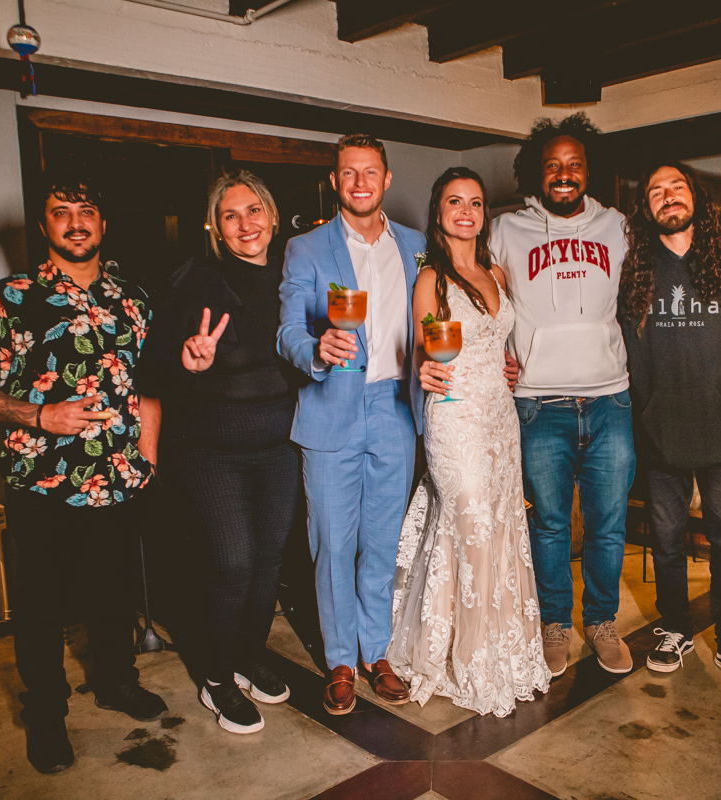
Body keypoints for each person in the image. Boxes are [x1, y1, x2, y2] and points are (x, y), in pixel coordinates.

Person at [490, 114, 721, 677]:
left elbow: (687, 244)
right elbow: (479, 295)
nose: (564, 173)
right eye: (552, 165)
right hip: (538, 402)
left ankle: (601, 622)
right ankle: (554, 624)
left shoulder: (619, 227)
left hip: (610, 401)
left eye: (575, 164)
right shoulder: (504, 230)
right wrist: (494, 353)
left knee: (609, 525)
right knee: (549, 525)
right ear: (536, 173)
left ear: (589, 171)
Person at [0, 171, 165, 774]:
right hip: (43, 480)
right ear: (43, 224)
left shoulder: (134, 299)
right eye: (61, 212)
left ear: (102, 222)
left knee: (114, 591)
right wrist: (39, 414)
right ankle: (46, 714)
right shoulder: (11, 297)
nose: (76, 223)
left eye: (86, 211)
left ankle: (116, 682)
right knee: (42, 605)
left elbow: (150, 386)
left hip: (121, 476)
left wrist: (148, 458)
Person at [388, 167, 551, 716]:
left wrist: (510, 364)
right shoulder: (430, 279)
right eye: (455, 202)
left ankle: (504, 650)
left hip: (500, 418)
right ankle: (471, 660)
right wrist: (423, 369)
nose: (466, 211)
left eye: (475, 203)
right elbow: (421, 351)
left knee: (501, 526)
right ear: (438, 213)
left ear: (484, 214)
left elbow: (498, 340)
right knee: (472, 524)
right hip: (455, 418)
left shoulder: (496, 272)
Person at [140, 171, 297, 735]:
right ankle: (216, 676)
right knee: (234, 561)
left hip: (279, 447)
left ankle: (248, 657)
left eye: (254, 210)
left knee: (269, 561)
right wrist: (188, 363)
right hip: (210, 449)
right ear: (215, 228)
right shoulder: (195, 283)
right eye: (230, 216)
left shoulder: (296, 275)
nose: (245, 224)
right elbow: (151, 373)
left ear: (272, 216)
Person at [277, 134, 425, 715]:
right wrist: (316, 348)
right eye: (348, 173)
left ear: (386, 179)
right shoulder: (306, 248)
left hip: (395, 409)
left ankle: (375, 652)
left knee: (382, 542)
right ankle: (340, 659)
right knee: (333, 544)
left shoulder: (416, 245)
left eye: (370, 172)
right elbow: (288, 330)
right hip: (330, 407)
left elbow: (439, 314)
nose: (359, 182)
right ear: (334, 181)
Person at [619, 161, 721, 694]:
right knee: (666, 542)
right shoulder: (633, 269)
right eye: (655, 191)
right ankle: (676, 629)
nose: (667, 196)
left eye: (676, 186)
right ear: (646, 208)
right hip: (662, 434)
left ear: (696, 197)